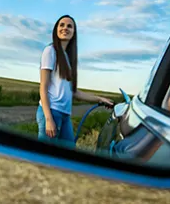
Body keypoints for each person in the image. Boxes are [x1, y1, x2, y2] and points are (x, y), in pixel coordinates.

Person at [36, 15, 114, 147]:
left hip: (65, 115)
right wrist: (48, 119)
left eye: (69, 26)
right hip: (51, 112)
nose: (65, 28)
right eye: (62, 25)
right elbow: (43, 88)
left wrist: (100, 99)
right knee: (45, 158)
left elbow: (74, 92)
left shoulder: (67, 57)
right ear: (56, 29)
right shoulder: (50, 51)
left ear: (74, 32)